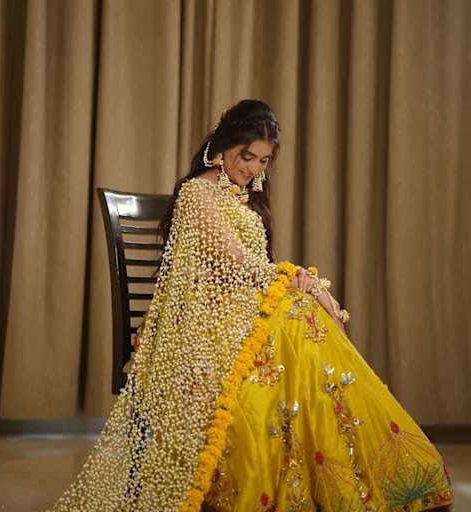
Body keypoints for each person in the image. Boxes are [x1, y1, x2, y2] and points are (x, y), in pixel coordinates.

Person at [47, 99, 452, 512]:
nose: (254, 168)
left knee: (303, 318)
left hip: (243, 308)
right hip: (203, 318)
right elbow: (235, 261)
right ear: (222, 147)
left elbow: (257, 267)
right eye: (247, 156)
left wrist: (302, 283)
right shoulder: (197, 194)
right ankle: (305, 481)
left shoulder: (245, 196)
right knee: (300, 318)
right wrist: (298, 279)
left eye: (263, 160)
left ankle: (344, 473)